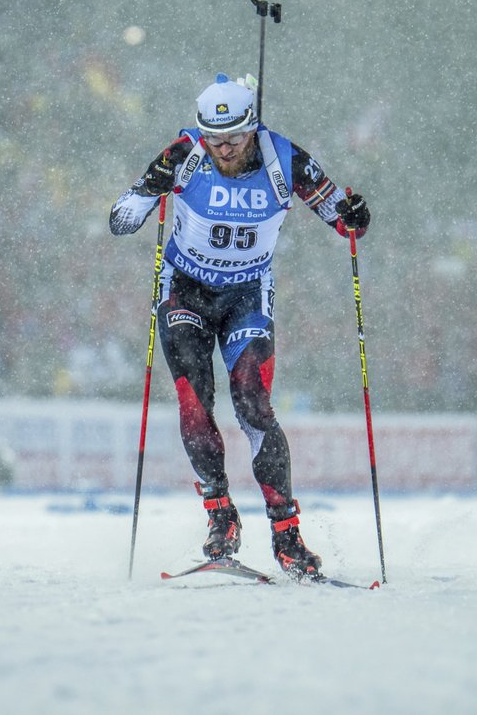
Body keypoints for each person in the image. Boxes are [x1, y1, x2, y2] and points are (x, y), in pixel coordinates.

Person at [109, 73, 371, 579]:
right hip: (185, 289)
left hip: (247, 294)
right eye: (214, 139)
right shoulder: (184, 153)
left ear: (253, 129)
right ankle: (220, 515)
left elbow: (342, 217)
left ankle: (287, 537)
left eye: (233, 139)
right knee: (194, 398)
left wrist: (356, 215)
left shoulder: (284, 158)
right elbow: (120, 220)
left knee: (251, 401)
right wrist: (149, 191)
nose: (223, 150)